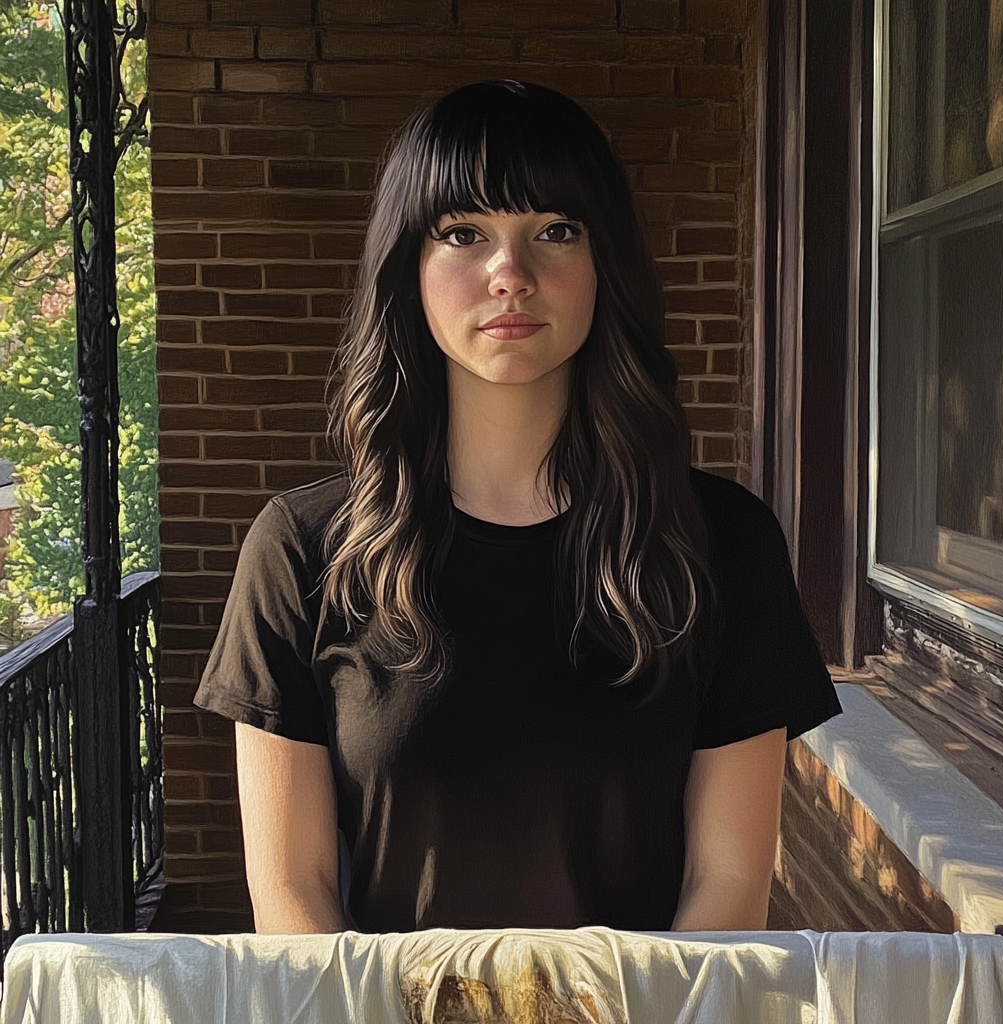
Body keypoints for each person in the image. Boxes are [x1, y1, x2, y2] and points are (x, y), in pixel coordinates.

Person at [193, 80, 843, 936]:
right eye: (464, 233)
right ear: (409, 271)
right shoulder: (305, 551)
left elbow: (726, 888)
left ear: (603, 265)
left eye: (555, 231)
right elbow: (292, 896)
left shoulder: (721, 543)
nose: (511, 274)